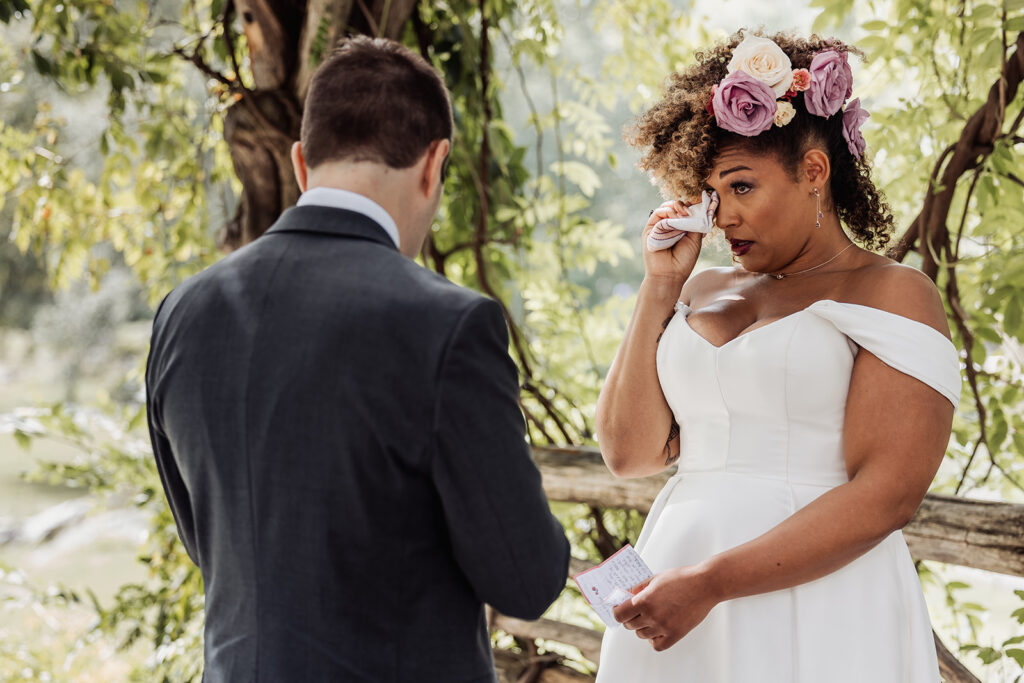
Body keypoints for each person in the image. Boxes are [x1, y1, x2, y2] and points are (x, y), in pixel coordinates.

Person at [145, 36, 570, 683]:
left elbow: (209, 541)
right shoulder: (449, 325)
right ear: (434, 163)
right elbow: (525, 577)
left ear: (299, 162)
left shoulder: (184, 311)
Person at [594, 30, 959, 682]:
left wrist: (711, 581)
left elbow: (886, 496)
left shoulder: (894, 294)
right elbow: (630, 454)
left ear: (814, 171)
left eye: (741, 187)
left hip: (818, 598)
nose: (721, 217)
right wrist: (658, 288)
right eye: (710, 195)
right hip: (676, 587)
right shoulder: (699, 289)